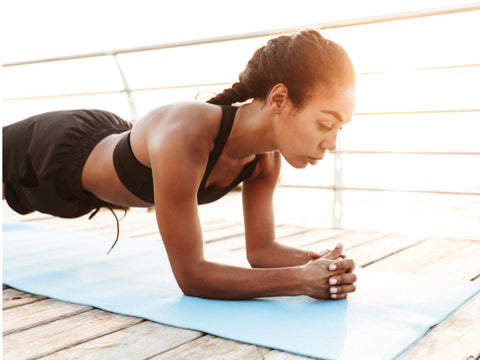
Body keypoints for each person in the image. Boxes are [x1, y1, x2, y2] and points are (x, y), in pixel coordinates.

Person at [3, 29, 357, 300]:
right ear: (279, 98)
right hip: (51, 150)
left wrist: (318, 262)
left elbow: (261, 250)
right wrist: (301, 280)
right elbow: (191, 275)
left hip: (93, 167)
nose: (333, 143)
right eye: (326, 124)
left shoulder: (264, 162)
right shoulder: (186, 134)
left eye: (341, 129)